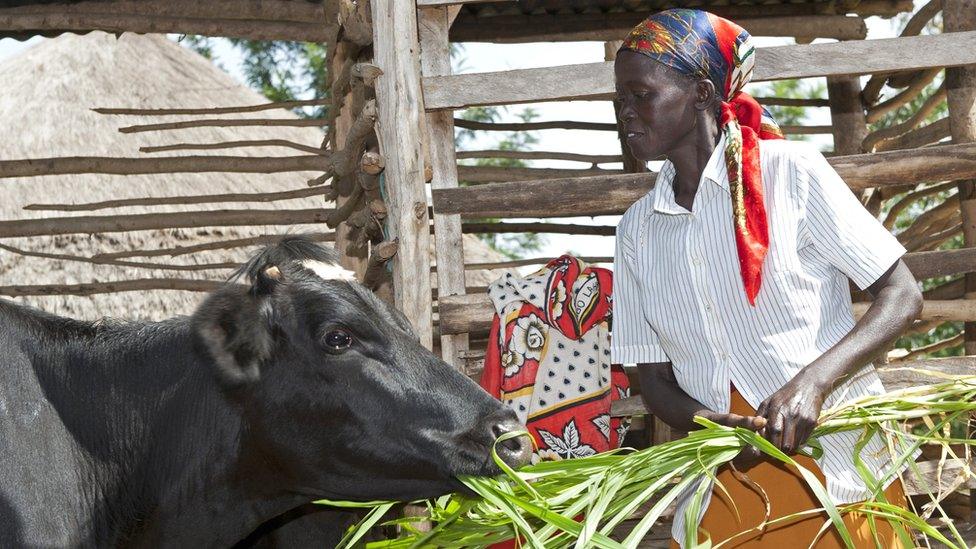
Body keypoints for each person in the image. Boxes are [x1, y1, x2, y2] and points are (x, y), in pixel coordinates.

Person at [609, 9, 923, 548]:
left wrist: (813, 383)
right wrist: (715, 426)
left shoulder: (791, 174)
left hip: (837, 471)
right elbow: (655, 383)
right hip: (724, 489)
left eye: (642, 95)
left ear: (703, 93)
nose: (626, 113)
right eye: (619, 100)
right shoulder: (638, 230)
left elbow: (902, 295)